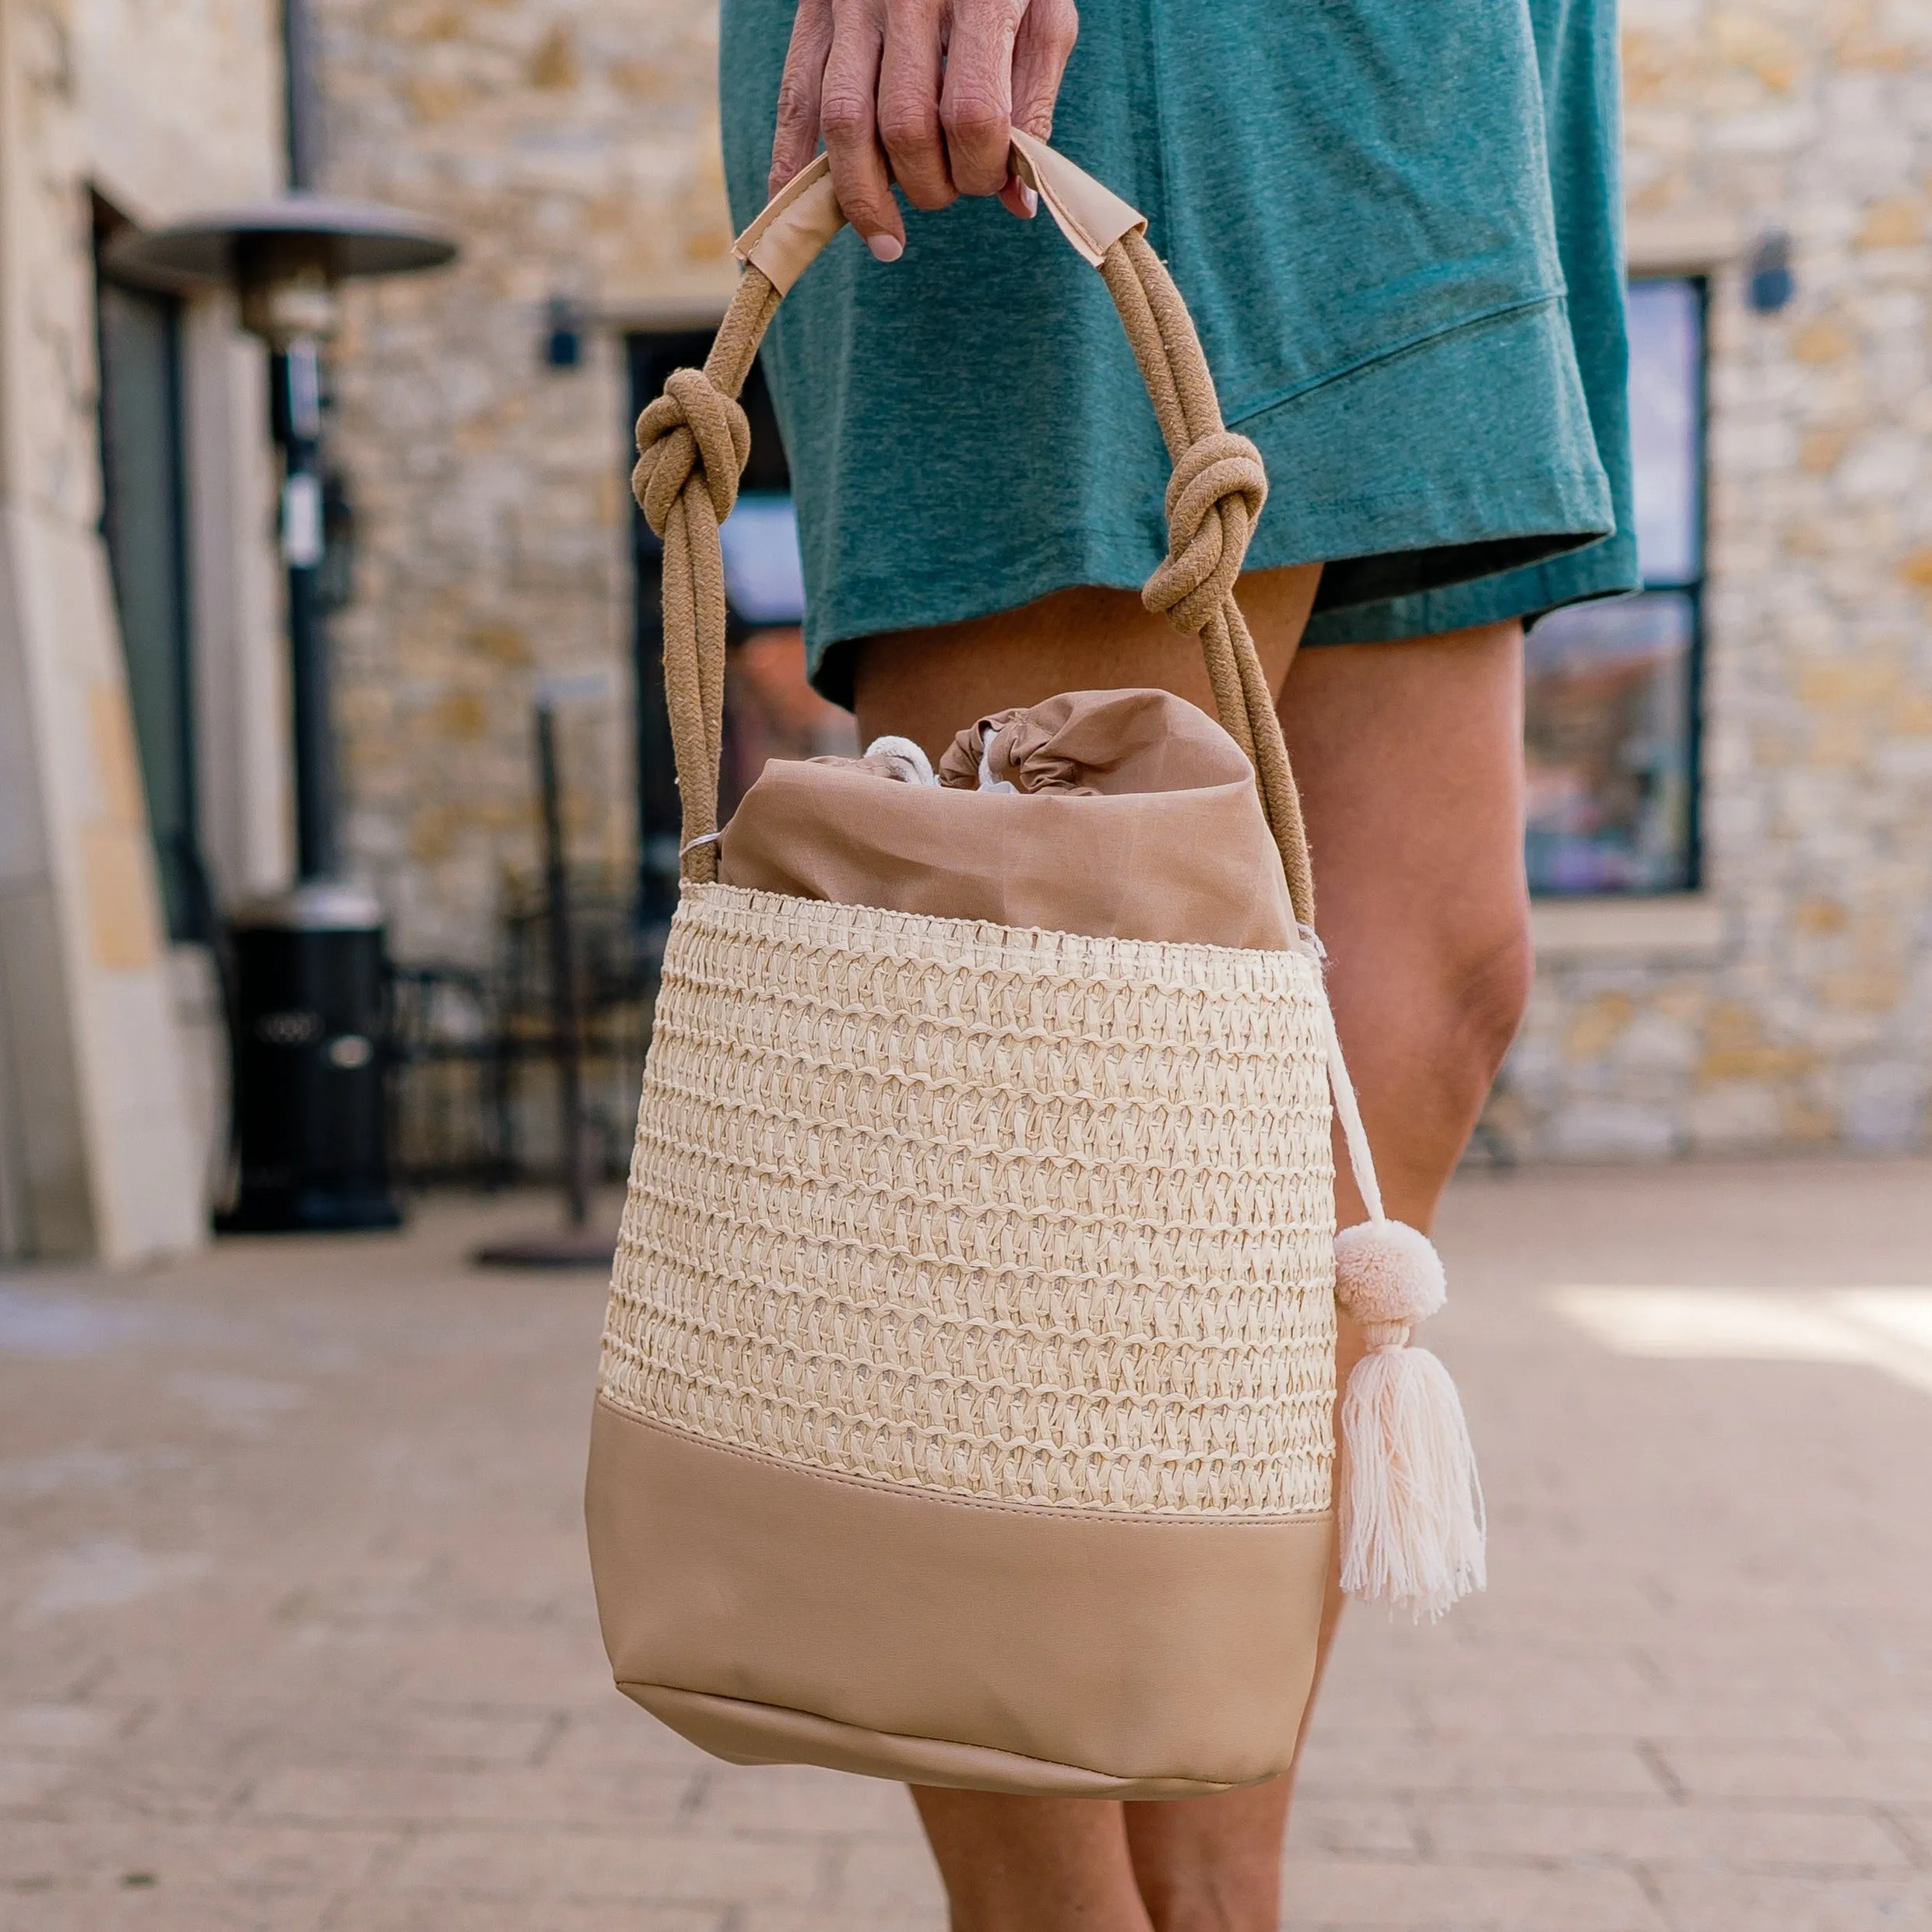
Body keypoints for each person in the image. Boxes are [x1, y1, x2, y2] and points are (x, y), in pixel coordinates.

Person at [715, 2, 1635, 1924]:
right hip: (1113, 47)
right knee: (1052, 1033)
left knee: (1425, 993)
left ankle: (1212, 1892)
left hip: (1438, 60)